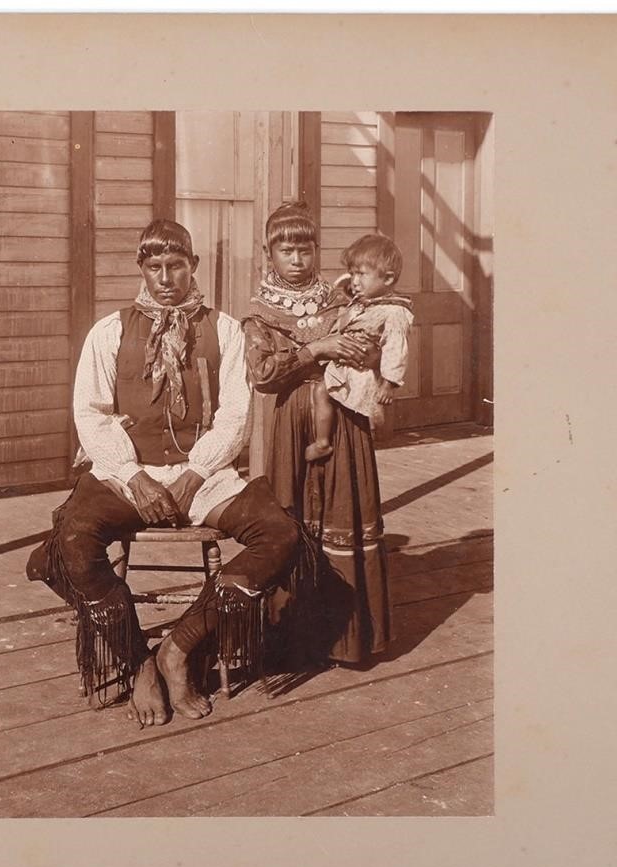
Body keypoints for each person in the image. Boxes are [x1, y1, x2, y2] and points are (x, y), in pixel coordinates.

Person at [26, 219, 306, 727]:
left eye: (176, 265)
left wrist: (195, 473)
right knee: (72, 538)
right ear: (141, 269)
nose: (165, 278)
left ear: (192, 267)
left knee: (281, 534)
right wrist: (134, 476)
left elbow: (235, 416)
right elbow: (89, 413)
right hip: (127, 475)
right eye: (154, 267)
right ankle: (138, 663)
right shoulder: (109, 331)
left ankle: (180, 647)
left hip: (204, 475)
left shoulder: (223, 330)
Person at [240, 202, 393, 665]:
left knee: (345, 508)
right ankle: (297, 642)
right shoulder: (259, 313)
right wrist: (318, 348)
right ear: (270, 254)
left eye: (305, 249)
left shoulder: (345, 300)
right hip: (290, 423)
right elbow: (264, 374)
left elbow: (376, 347)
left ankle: (349, 640)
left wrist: (367, 353)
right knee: (293, 517)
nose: (297, 259)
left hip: (345, 416)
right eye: (286, 250)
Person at [305, 233, 415, 460]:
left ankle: (323, 442)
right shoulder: (365, 301)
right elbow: (344, 301)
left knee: (332, 399)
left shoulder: (394, 312)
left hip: (360, 371)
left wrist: (389, 383)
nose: (354, 280)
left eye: (361, 274)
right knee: (321, 392)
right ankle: (324, 441)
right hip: (344, 365)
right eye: (352, 273)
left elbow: (396, 349)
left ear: (388, 279)